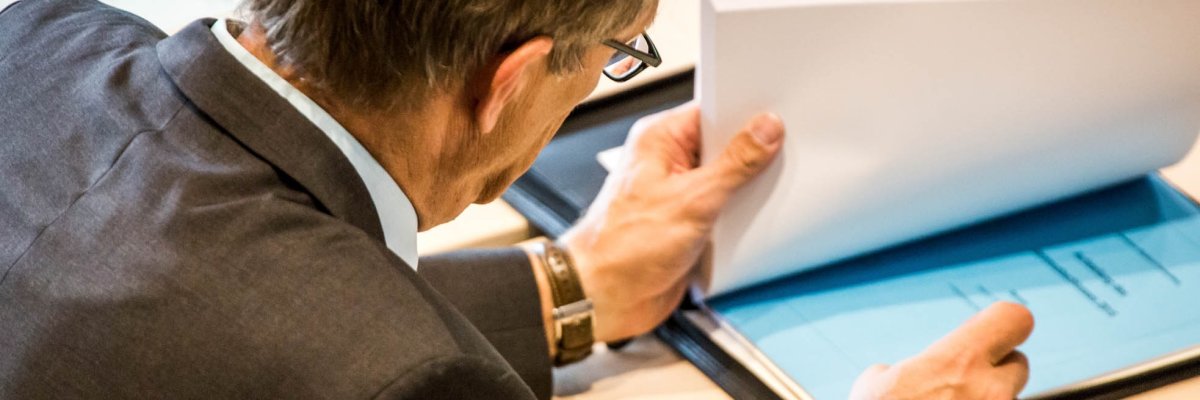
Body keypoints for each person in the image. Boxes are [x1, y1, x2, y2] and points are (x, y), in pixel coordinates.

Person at [0, 0, 1034, 398]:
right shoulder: (395, 375)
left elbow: (170, 316)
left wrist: (568, 286)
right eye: (611, 55)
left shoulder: (35, 36)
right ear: (508, 79)